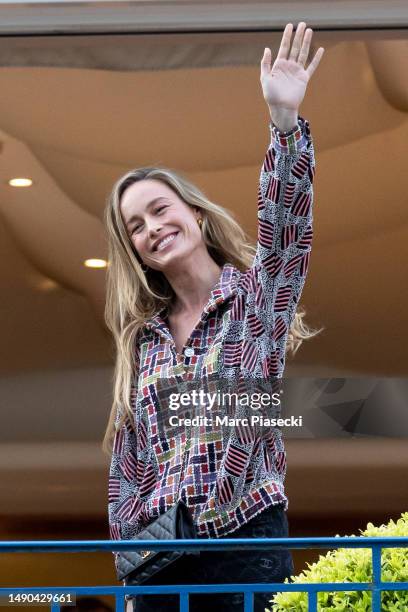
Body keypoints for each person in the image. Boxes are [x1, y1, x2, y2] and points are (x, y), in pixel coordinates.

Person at [102, 21, 324, 612]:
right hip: (160, 565)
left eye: (160, 210)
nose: (152, 229)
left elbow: (287, 233)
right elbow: (129, 470)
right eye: (136, 227)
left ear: (195, 216)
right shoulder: (141, 342)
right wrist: (129, 567)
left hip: (244, 543)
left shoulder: (257, 301)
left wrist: (283, 126)